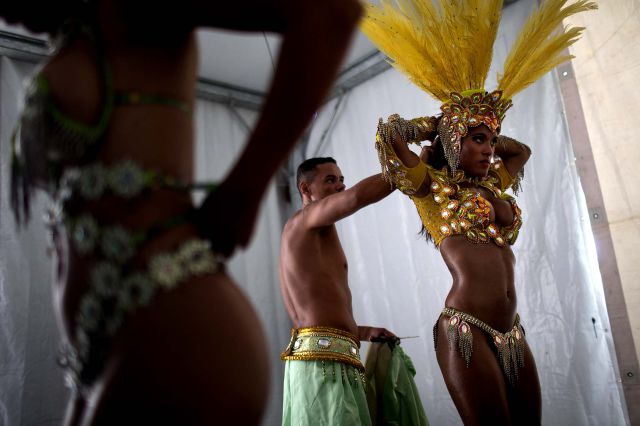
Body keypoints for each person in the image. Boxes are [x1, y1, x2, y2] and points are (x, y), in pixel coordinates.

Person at [1, 0, 362, 424]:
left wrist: (242, 192)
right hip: (105, 348)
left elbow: (329, 14)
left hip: (175, 326)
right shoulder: (73, 39)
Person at [361, 0, 596, 424]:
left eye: (491, 142)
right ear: (454, 143)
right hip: (465, 327)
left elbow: (521, 151)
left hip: (511, 330)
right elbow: (390, 132)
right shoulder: (429, 187)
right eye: (479, 141)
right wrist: (440, 126)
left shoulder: (492, 184)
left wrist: (481, 123)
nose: (490, 150)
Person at [279, 157, 397, 426]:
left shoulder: (316, 235)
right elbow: (355, 197)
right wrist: (408, 171)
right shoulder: (304, 220)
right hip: (320, 363)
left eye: (342, 179)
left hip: (332, 358)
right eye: (330, 180)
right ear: (305, 189)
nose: (341, 186)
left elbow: (317, 311)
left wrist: (364, 332)